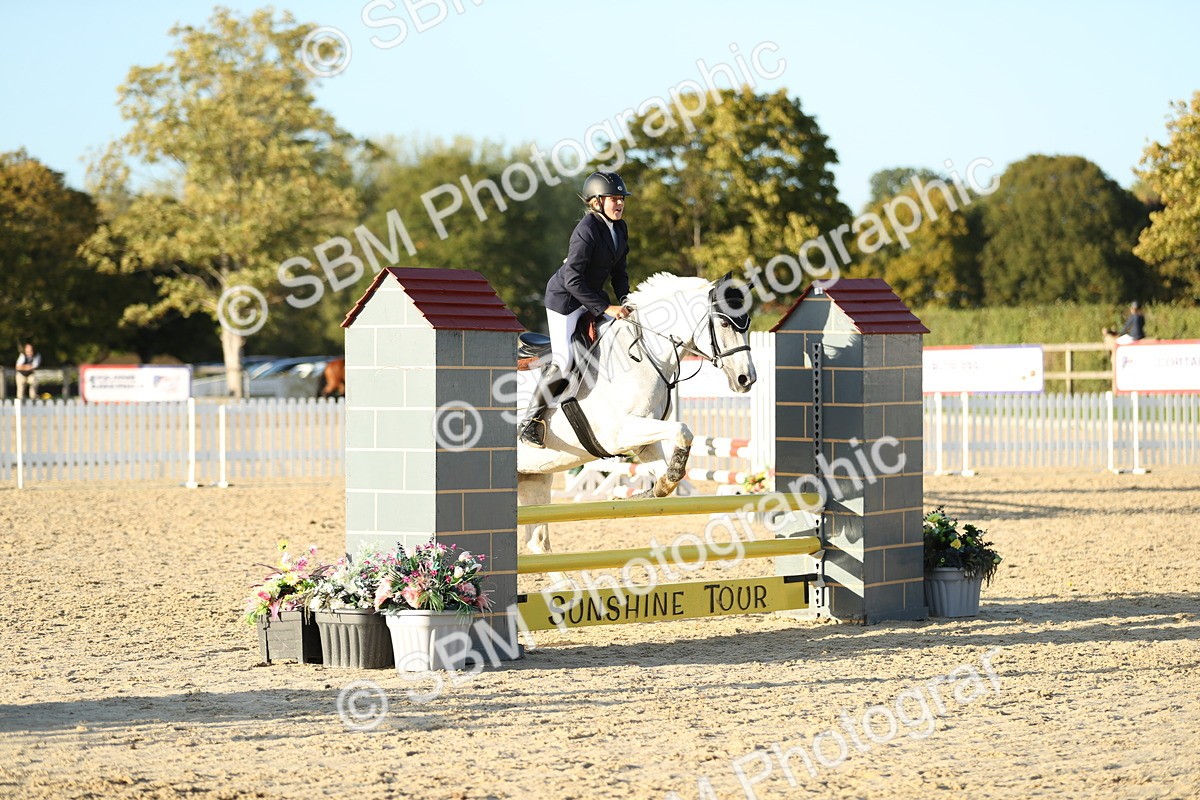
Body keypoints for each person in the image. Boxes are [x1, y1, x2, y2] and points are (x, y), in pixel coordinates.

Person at [519, 171, 633, 448]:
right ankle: (530, 424)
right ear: (596, 202)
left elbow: (619, 272)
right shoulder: (586, 229)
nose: (619, 203)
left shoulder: (620, 228)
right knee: (565, 360)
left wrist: (627, 300)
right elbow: (572, 279)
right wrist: (606, 307)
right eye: (613, 199)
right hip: (566, 301)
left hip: (591, 298)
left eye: (621, 199)